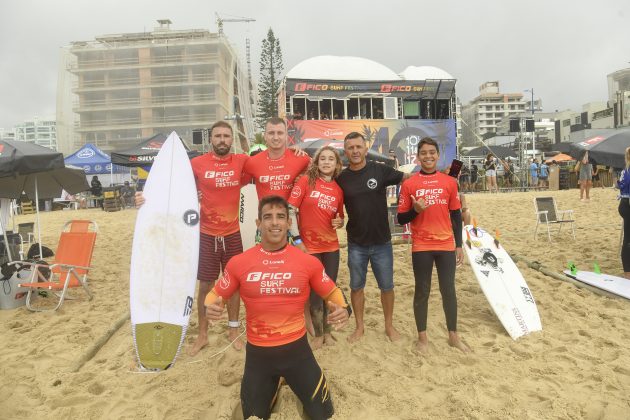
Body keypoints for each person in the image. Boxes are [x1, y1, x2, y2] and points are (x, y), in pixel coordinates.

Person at [204, 196, 351, 420]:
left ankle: (287, 381)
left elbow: (332, 293)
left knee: (324, 414)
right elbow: (214, 296)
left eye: (281, 217)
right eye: (268, 217)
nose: (275, 223)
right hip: (258, 357)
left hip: (298, 354)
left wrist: (343, 309)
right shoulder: (239, 263)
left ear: (288, 223)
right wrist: (210, 308)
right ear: (258, 224)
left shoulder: (307, 262)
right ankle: (275, 386)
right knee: (252, 416)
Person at [136, 121, 250, 354]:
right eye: (217, 136)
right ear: (211, 139)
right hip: (205, 234)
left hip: (232, 233)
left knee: (234, 285)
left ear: (232, 140)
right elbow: (171, 188)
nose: (222, 140)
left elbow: (271, 167)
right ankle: (203, 334)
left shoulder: (242, 162)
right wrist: (144, 198)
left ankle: (233, 329)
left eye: (226, 136)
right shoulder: (196, 164)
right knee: (206, 285)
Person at [397, 137, 469, 354]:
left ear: (438, 155)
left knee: (449, 291)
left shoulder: (449, 182)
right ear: (417, 157)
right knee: (422, 291)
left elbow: (456, 215)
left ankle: (453, 336)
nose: (428, 156)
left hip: (446, 244)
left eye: (432, 152)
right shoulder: (409, 184)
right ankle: (422, 338)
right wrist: (415, 211)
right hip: (422, 246)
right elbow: (401, 219)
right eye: (423, 153)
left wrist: (459, 245)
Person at [336, 132, 409, 342]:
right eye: (350, 148)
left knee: (387, 287)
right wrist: (337, 220)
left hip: (382, 242)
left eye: (359, 147)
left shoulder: (380, 170)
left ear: (366, 149)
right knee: (356, 286)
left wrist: (439, 178)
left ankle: (389, 326)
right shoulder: (341, 177)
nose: (355, 151)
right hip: (356, 243)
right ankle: (359, 327)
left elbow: (407, 178)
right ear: (346, 151)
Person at [288, 146, 345, 349]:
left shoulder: (338, 189)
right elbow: (290, 210)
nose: (327, 162)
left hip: (331, 247)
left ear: (337, 164)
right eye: (323, 159)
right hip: (309, 247)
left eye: (331, 159)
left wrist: (341, 222)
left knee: (328, 290)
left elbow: (340, 218)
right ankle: (318, 335)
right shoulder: (306, 181)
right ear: (317, 162)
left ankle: (328, 332)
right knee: (314, 292)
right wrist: (297, 240)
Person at [617, 147, 630, 280]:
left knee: (628, 238)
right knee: (628, 239)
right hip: (627, 204)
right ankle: (627, 274)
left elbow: (619, 185)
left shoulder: (625, 170)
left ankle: (627, 273)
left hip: (624, 203)